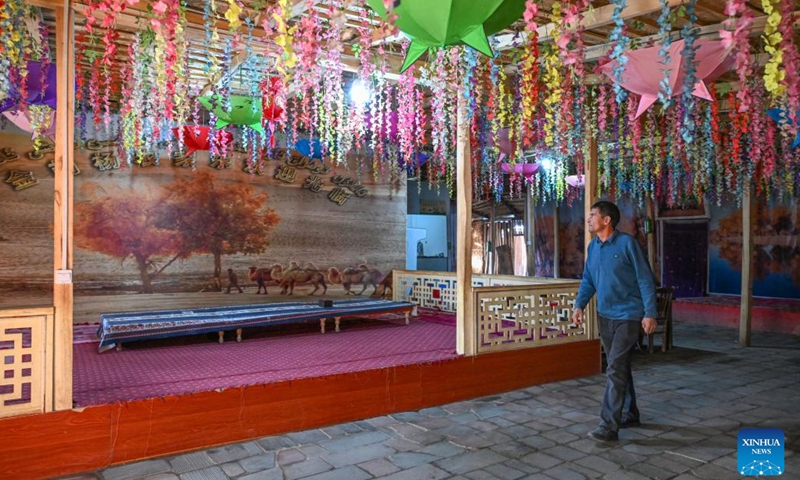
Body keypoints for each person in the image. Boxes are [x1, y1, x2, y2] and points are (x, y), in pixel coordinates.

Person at [572, 200, 657, 442]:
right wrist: (580, 305)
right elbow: (588, 279)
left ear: (606, 220)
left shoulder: (627, 244)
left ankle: (608, 426)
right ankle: (630, 412)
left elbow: (645, 279)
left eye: (592, 215)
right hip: (605, 315)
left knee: (614, 368)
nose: (588, 219)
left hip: (628, 316)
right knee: (619, 367)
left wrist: (650, 313)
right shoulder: (593, 247)